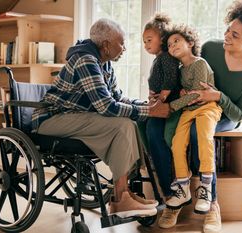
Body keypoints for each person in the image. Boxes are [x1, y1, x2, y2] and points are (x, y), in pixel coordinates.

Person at [150, 1, 242, 232]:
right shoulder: (210, 48)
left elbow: (240, 113)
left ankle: (212, 204)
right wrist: (166, 90)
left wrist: (217, 96)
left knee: (198, 133)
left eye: (235, 35)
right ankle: (174, 196)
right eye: (227, 30)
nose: (226, 36)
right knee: (157, 129)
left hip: (224, 113)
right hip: (193, 106)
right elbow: (185, 68)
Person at [31, 18, 170, 218]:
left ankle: (124, 195)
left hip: (76, 117)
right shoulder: (85, 59)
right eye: (121, 43)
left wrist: (147, 106)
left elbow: (117, 98)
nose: (124, 49)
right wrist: (151, 112)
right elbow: (106, 107)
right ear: (106, 45)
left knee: (128, 122)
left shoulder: (104, 64)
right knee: (122, 125)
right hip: (52, 120)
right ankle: (121, 198)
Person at [163, 24, 222, 216]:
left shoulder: (200, 63)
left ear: (190, 42)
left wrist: (172, 106)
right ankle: (183, 188)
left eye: (177, 41)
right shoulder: (179, 70)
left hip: (207, 108)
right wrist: (183, 95)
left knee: (205, 139)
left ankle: (205, 190)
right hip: (188, 111)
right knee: (177, 143)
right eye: (170, 45)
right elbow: (186, 94)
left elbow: (197, 94)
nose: (172, 46)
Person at [140, 13, 181, 198]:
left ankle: (168, 186)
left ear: (162, 39)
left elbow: (172, 78)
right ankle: (150, 160)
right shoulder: (158, 58)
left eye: (149, 40)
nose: (146, 44)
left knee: (153, 131)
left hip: (167, 106)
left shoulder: (166, 56)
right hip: (159, 103)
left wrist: (161, 98)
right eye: (144, 41)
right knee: (142, 124)